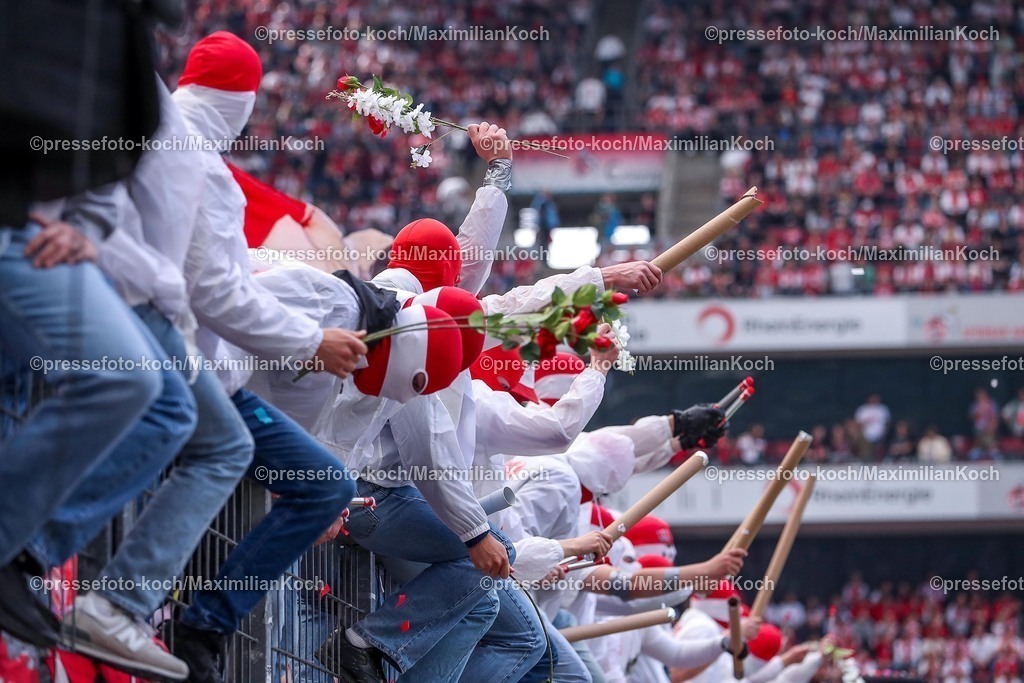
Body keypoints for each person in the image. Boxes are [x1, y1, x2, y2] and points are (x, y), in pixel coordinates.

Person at [158, 33, 369, 682]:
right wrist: (313, 340)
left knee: (316, 480)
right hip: (188, 374)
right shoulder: (208, 173)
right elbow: (219, 293)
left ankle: (176, 614)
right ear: (243, 104)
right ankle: (169, 612)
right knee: (285, 472)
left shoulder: (155, 135)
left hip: (189, 365)